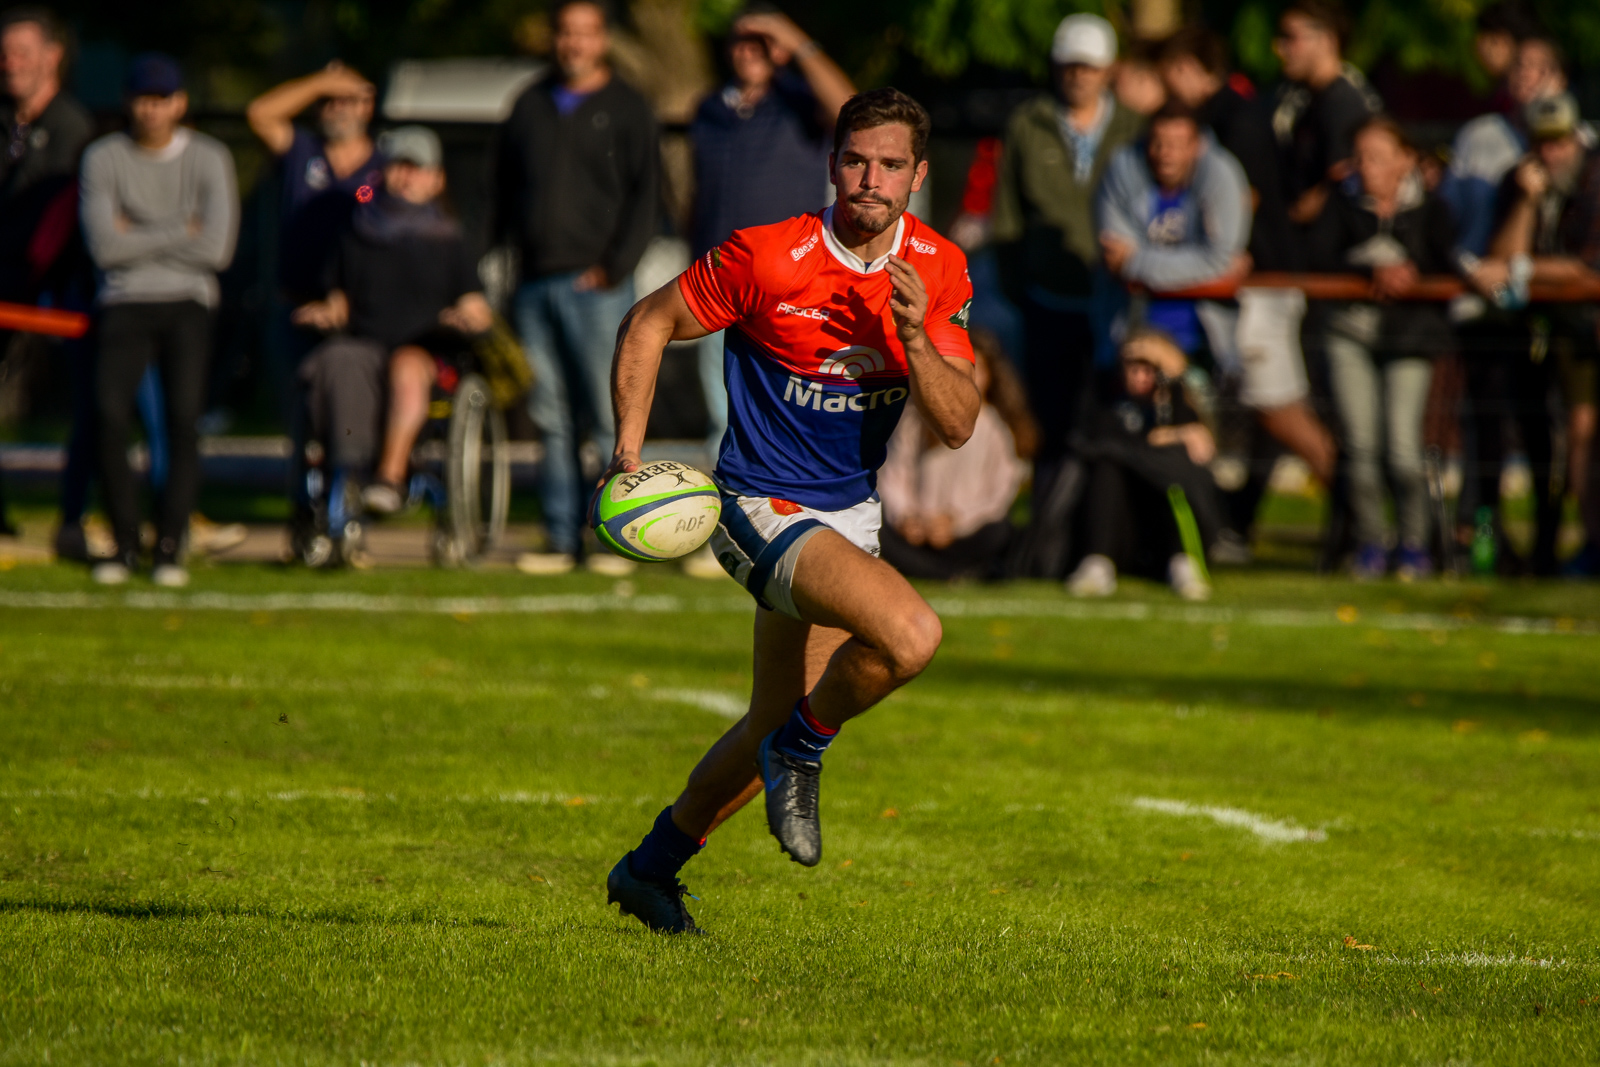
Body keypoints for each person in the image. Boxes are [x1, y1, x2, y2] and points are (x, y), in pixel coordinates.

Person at [602, 88, 979, 934]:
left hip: (851, 516)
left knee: (766, 725)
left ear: (918, 175)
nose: (869, 179)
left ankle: (649, 869)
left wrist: (916, 340)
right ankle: (805, 750)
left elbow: (958, 424)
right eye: (854, 160)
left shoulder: (940, 267)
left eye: (889, 165)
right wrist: (628, 453)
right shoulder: (768, 257)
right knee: (911, 636)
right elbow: (649, 320)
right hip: (754, 505)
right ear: (831, 162)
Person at [495, 0, 659, 577]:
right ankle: (562, 537)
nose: (575, 43)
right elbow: (503, 192)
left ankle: (618, 538)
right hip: (534, 285)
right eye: (566, 32)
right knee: (550, 417)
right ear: (554, 38)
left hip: (599, 287)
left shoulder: (628, 106)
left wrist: (614, 269)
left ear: (603, 40)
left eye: (586, 33)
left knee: (609, 415)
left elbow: (647, 197)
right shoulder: (528, 103)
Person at [1158, 26, 1336, 532]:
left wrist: (1213, 254)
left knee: (1277, 406)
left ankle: (1356, 512)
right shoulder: (1233, 115)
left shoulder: (1236, 120)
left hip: (1265, 283)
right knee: (1266, 409)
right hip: (1256, 283)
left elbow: (1244, 198)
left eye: (1174, 72)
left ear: (1197, 69)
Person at [79, 54, 238, 587]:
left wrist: (138, 235)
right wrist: (180, 230)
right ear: (129, 102)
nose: (152, 110)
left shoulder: (210, 158)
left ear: (181, 103)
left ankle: (169, 545)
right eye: (144, 99)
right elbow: (104, 248)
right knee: (108, 414)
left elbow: (216, 248)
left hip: (188, 300)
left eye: (163, 99)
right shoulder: (104, 158)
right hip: (123, 301)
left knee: (182, 417)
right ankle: (124, 542)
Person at [290, 126, 492, 517]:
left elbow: (477, 307)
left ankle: (389, 478)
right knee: (337, 360)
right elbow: (340, 302)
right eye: (399, 167)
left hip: (425, 352)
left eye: (417, 168)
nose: (407, 176)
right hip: (366, 343)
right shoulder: (355, 232)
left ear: (436, 179)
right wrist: (324, 312)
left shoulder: (449, 239)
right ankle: (345, 472)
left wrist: (465, 317)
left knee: (405, 368)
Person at [688, 8, 855, 461]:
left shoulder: (799, 102)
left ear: (778, 51)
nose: (749, 51)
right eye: (741, 42)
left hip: (792, 278)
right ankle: (726, 514)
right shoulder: (709, 108)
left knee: (792, 402)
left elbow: (853, 112)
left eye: (761, 43)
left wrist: (795, 39)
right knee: (722, 412)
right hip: (717, 278)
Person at [1308, 117, 1459, 579]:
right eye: (1360, 157)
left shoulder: (1431, 210)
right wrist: (1366, 269)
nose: (1366, 167)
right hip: (1350, 334)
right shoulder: (1340, 204)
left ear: (1405, 159)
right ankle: (1371, 541)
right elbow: (1313, 258)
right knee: (1360, 444)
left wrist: (1412, 274)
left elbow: (1452, 262)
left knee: (1402, 448)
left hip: (1409, 338)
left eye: (1376, 156)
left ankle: (1415, 544)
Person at [992, 13, 1143, 471]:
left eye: (1089, 66)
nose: (1079, 75)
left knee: (1112, 419)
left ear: (1109, 70)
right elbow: (1007, 217)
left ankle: (1105, 534)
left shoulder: (1137, 129)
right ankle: (1049, 534)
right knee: (1050, 422)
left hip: (1118, 300)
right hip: (1047, 300)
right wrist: (1019, 285)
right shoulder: (1027, 123)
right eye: (1070, 64)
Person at [1478, 94, 1600, 574]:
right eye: (1541, 144)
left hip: (1584, 328)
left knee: (1585, 436)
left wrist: (1522, 270)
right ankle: (1574, 545)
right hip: (1544, 330)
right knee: (1552, 441)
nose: (1552, 153)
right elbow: (1499, 253)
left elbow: (1588, 268)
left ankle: (1590, 541)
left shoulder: (1594, 179)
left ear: (1576, 137)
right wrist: (1528, 201)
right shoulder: (1520, 180)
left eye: (1559, 142)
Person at [0, 6, 90, 543]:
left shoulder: (71, 128)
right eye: (4, 54)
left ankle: (77, 516)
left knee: (92, 404)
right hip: (9, 291)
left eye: (22, 52)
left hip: (59, 293)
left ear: (53, 57)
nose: (9, 64)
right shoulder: (6, 124)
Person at [1065, 328, 1219, 601]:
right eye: (1132, 366)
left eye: (1150, 368)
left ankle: (1184, 561)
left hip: (1163, 523)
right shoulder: (1104, 400)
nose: (1139, 375)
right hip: (1118, 524)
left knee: (1173, 467)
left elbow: (1198, 448)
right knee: (1109, 465)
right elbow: (1092, 441)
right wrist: (1149, 446)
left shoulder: (1176, 403)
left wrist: (1170, 385)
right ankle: (1097, 563)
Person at [1096, 101, 1252, 358]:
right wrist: (1208, 265)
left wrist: (1136, 261)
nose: (1165, 153)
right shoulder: (1122, 168)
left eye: (1177, 145)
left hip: (1204, 340)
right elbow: (1115, 255)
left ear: (1196, 146)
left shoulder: (1220, 173)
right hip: (1132, 335)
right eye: (1157, 142)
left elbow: (1220, 256)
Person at [878, 330, 1036, 580]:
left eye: (976, 369)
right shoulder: (913, 419)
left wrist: (955, 521)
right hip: (917, 528)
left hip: (964, 532)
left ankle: (936, 571)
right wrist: (907, 516)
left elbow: (998, 495)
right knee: (877, 526)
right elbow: (894, 476)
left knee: (1000, 531)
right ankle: (949, 574)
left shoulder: (996, 427)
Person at [246, 60, 384, 327]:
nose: (337, 108)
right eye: (327, 100)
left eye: (346, 100)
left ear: (367, 106)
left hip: (359, 309)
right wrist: (320, 82)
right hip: (296, 303)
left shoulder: (384, 165)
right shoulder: (303, 149)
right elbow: (259, 114)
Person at [1271, 0, 1382, 231]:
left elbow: (1346, 173)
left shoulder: (1343, 100)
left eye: (1291, 37)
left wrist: (1317, 199)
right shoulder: (1307, 98)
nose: (1281, 48)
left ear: (1327, 40)